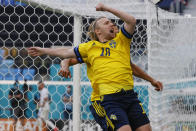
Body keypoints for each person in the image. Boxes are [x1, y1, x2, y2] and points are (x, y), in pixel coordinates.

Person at [28, 3, 163, 131]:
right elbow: (66, 54)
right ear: (98, 32)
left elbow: (131, 21)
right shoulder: (91, 48)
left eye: (112, 22)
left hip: (130, 96)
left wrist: (152, 80)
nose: (112, 24)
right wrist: (45, 51)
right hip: (108, 100)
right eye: (107, 23)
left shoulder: (121, 42)